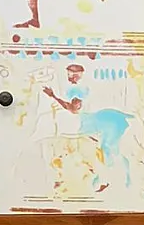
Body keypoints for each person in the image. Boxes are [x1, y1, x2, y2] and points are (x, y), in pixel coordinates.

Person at [44, 62, 135, 192]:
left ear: (79, 75)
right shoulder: (70, 87)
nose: (71, 76)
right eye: (70, 73)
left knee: (102, 151)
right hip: (79, 122)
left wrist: (54, 96)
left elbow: (73, 109)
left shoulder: (80, 89)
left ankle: (108, 179)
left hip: (81, 123)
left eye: (74, 74)